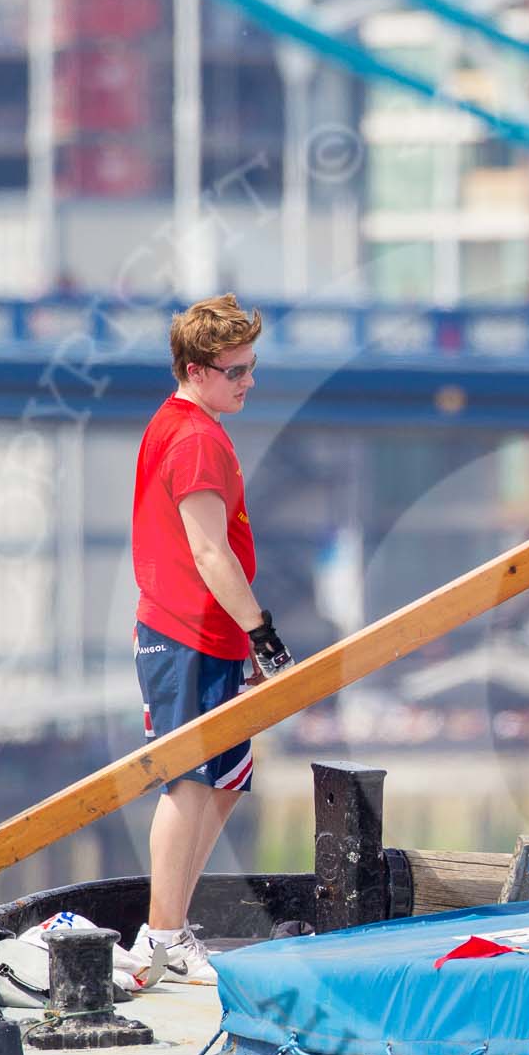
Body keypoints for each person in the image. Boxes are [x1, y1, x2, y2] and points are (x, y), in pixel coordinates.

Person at [127, 295, 292, 985]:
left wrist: (243, 639)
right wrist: (266, 637)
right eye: (236, 370)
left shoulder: (193, 426)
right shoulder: (194, 437)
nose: (248, 381)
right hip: (185, 633)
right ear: (196, 371)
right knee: (191, 783)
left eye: (251, 367)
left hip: (208, 636)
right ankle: (159, 936)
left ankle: (171, 931)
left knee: (223, 784)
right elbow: (208, 551)